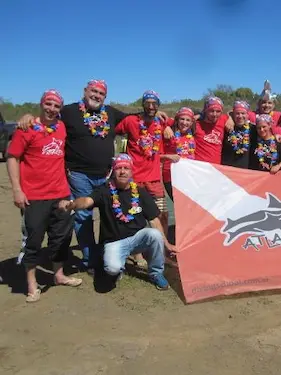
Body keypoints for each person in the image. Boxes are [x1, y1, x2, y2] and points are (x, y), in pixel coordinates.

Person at [17, 80, 168, 273]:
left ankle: (113, 251)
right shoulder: (70, 112)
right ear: (85, 91)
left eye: (101, 93)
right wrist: (30, 116)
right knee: (83, 217)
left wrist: (159, 117)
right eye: (93, 91)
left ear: (105, 97)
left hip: (107, 175)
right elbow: (49, 117)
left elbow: (136, 118)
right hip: (79, 175)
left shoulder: (111, 113)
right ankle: (91, 260)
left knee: (111, 213)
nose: (96, 95)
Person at [7, 89, 82, 302]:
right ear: (41, 104)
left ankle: (58, 275)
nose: (52, 109)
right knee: (33, 240)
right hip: (34, 196)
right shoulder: (26, 128)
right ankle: (32, 284)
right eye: (48, 104)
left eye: (56, 106)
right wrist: (17, 189)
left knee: (61, 238)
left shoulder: (61, 128)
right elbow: (12, 157)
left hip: (61, 194)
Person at [58, 154, 172, 290]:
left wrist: (167, 244)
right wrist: (73, 204)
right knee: (112, 269)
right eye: (119, 168)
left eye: (126, 168)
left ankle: (156, 273)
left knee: (155, 234)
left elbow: (154, 220)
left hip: (137, 238)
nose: (122, 171)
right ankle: (117, 267)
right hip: (114, 242)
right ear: (113, 171)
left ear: (131, 171)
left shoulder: (140, 192)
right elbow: (87, 201)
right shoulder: (104, 191)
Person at [115, 90, 172, 267]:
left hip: (154, 178)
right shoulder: (131, 121)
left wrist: (169, 125)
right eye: (147, 103)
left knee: (162, 214)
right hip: (136, 178)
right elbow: (113, 130)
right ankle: (137, 253)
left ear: (158, 106)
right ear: (143, 104)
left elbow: (187, 119)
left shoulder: (161, 122)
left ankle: (163, 249)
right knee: (135, 216)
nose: (151, 106)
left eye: (154, 104)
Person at [162, 107, 197, 200]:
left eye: (188, 120)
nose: (184, 122)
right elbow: (156, 117)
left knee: (188, 208)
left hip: (188, 177)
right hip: (170, 177)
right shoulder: (169, 134)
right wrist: (165, 126)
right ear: (177, 120)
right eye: (182, 119)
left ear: (192, 122)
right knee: (179, 205)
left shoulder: (192, 135)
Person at [221, 100, 257, 168]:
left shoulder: (253, 129)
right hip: (226, 170)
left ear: (247, 115)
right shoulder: (226, 126)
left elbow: (267, 133)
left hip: (244, 172)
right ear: (233, 114)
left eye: (243, 113)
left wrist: (277, 135)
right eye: (237, 113)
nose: (240, 116)